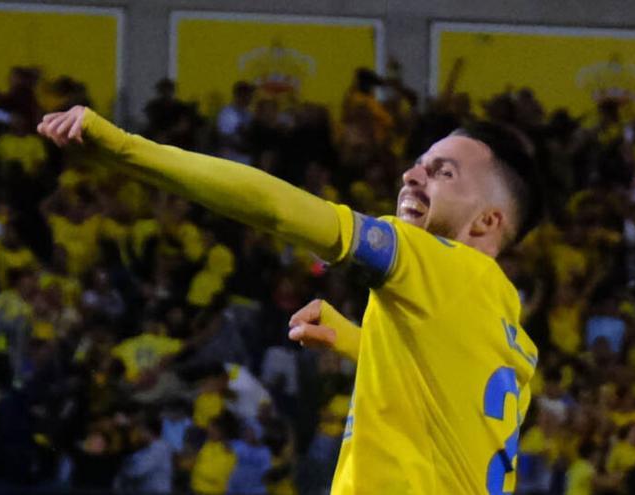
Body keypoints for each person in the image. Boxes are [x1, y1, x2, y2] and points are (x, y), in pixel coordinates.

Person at [38, 101, 542, 493]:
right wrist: (356, 342)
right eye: (418, 165)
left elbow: (278, 210)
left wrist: (126, 149)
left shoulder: (431, 258)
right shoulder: (508, 329)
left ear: (487, 221)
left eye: (442, 172)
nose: (412, 176)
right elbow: (449, 403)